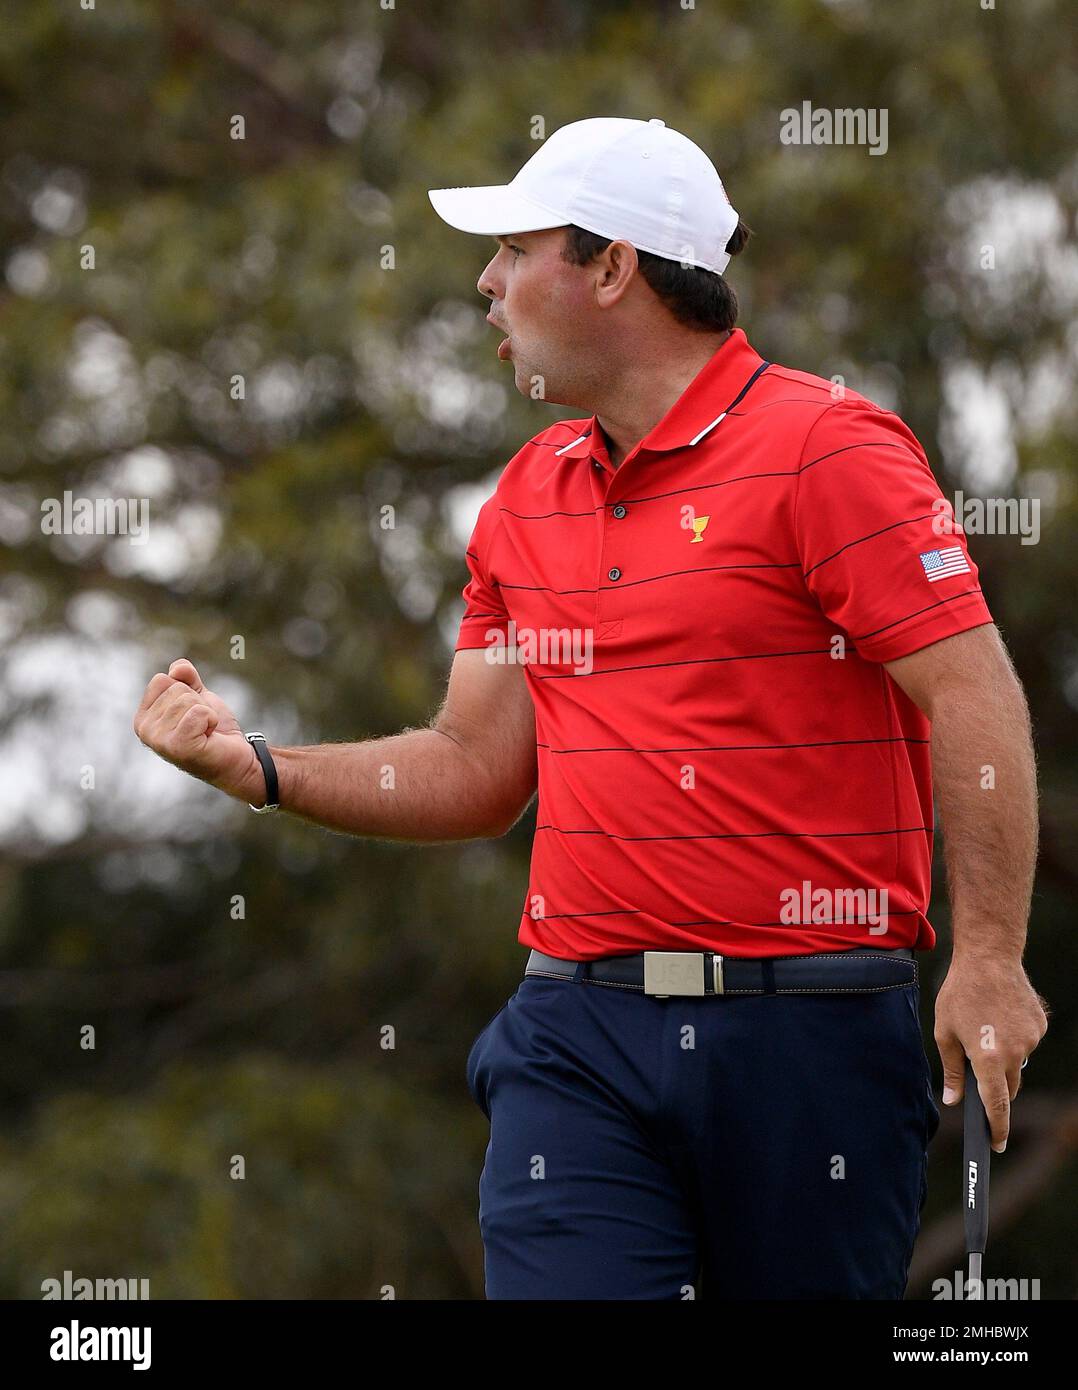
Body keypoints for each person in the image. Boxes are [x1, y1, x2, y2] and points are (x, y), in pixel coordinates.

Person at [133, 117, 1048, 1299]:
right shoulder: (525, 493)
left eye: (515, 250)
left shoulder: (829, 448)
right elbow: (474, 764)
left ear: (612, 267)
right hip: (577, 1030)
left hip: (808, 1039)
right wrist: (260, 766)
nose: (487, 281)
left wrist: (988, 956)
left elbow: (971, 690)